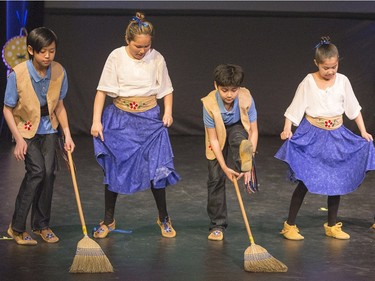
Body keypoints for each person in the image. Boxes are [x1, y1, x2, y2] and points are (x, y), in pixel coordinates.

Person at [275, 36, 375, 240]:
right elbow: (295, 107)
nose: (330, 71)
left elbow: (354, 109)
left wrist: (363, 131)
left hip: (336, 135)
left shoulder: (343, 81)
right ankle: (290, 225)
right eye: (325, 67)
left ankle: (332, 225)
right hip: (313, 135)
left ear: (338, 62)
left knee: (336, 179)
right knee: (305, 178)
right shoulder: (309, 81)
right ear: (316, 64)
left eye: (334, 67)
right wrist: (287, 128)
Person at [91, 12, 180, 239]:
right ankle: (108, 220)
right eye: (138, 46)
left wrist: (167, 112)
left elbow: (167, 89)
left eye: (146, 46)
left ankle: (164, 217)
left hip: (149, 120)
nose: (142, 50)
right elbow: (102, 91)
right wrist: (96, 121)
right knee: (114, 169)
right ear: (127, 40)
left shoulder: (157, 58)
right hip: (120, 119)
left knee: (157, 170)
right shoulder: (116, 57)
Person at [3, 27, 75, 245]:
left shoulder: (59, 71)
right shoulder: (18, 74)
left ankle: (42, 225)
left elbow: (59, 106)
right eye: (43, 51)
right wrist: (18, 139)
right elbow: (7, 109)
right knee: (37, 172)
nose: (47, 56)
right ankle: (16, 227)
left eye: (51, 51)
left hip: (49, 128)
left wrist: (68, 136)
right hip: (25, 130)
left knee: (50, 174)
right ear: (31, 50)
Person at [201, 64, 258, 241]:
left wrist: (249, 162)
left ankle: (245, 165)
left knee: (240, 141)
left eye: (234, 90)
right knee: (216, 178)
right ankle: (217, 226)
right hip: (216, 135)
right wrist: (225, 167)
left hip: (237, 127)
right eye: (224, 90)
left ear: (238, 89)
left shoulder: (246, 98)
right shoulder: (209, 104)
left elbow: (253, 131)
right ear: (216, 86)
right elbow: (214, 140)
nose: (229, 94)